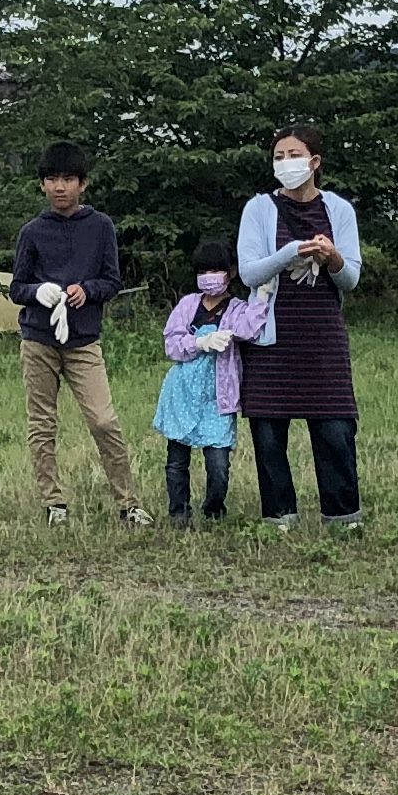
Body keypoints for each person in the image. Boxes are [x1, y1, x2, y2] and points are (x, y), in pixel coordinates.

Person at [236, 126, 364, 533]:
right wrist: (292, 251)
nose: (285, 163)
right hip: (270, 339)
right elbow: (249, 272)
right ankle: (279, 518)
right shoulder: (258, 209)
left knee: (335, 429)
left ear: (314, 162)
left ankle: (343, 518)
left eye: (294, 155)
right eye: (278, 156)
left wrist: (332, 258)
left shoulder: (339, 210)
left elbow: (351, 279)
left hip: (322, 336)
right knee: (269, 434)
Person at [10, 141, 142, 526]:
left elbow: (112, 280)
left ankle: (128, 503)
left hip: (84, 341)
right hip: (39, 339)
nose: (59, 187)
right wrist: (38, 292)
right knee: (42, 423)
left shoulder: (100, 227)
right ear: (42, 185)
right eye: (51, 179)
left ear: (83, 184)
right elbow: (17, 288)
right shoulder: (32, 231)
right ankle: (54, 503)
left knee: (104, 421)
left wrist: (88, 290)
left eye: (68, 179)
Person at [152, 235, 270, 523]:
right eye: (202, 272)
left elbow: (248, 329)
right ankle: (178, 513)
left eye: (213, 271)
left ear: (230, 273)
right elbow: (172, 344)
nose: (208, 278)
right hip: (182, 393)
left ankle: (214, 510)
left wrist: (262, 297)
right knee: (176, 460)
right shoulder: (188, 304)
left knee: (218, 463)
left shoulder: (237, 308)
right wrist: (200, 343)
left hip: (219, 396)